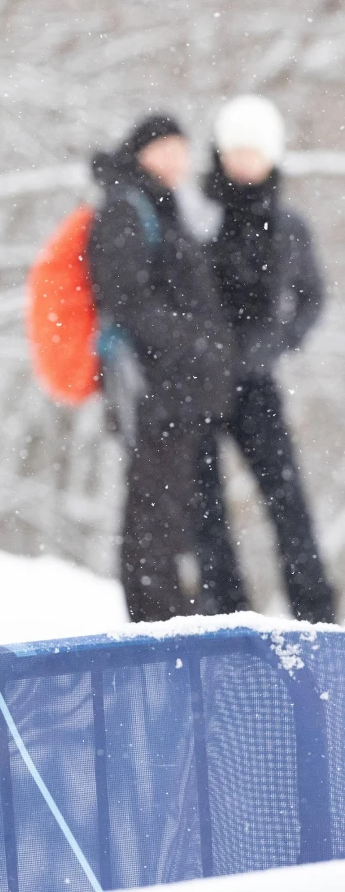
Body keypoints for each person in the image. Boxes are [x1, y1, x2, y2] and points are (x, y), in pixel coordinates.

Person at [192, 96, 337, 624]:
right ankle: (225, 620)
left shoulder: (287, 225)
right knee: (202, 510)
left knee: (287, 502)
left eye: (255, 151)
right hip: (197, 385)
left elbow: (312, 297)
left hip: (256, 383)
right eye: (237, 150)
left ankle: (316, 619)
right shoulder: (196, 216)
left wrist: (278, 342)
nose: (245, 162)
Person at [88, 115, 237, 621]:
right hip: (151, 387)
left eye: (182, 150)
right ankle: (155, 619)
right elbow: (126, 298)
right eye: (165, 149)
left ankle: (165, 613)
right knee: (153, 510)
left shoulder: (160, 205)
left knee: (167, 509)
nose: (176, 160)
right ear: (140, 152)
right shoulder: (126, 208)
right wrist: (190, 341)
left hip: (175, 386)